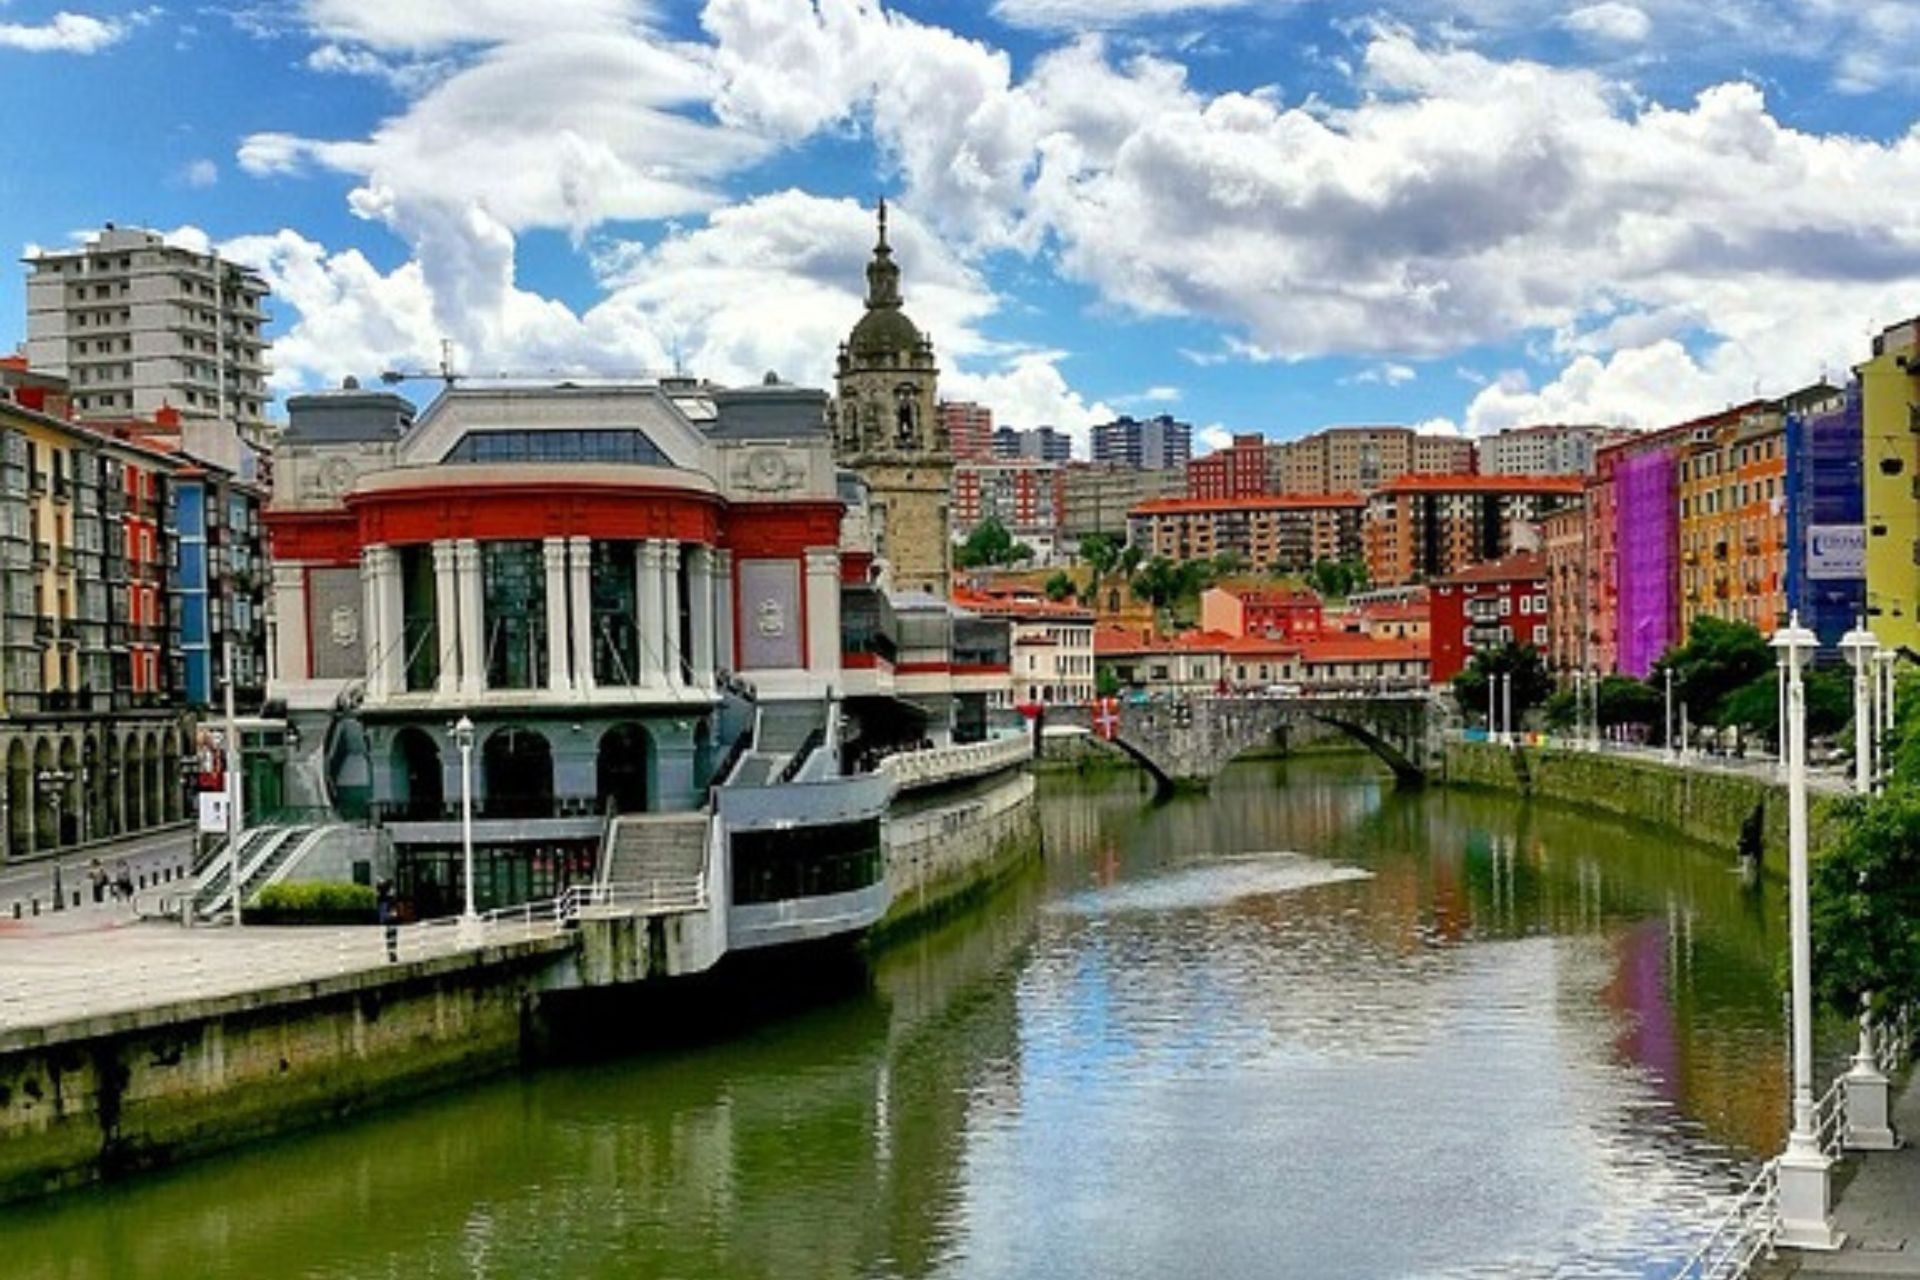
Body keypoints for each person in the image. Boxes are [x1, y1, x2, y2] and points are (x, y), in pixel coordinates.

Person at [376, 880, 398, 962]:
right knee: (392, 937)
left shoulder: (381, 898)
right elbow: (392, 911)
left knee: (390, 937)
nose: (394, 890)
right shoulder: (389, 899)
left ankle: (392, 953)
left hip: (386, 920)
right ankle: (392, 954)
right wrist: (393, 914)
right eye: (392, 888)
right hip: (390, 919)